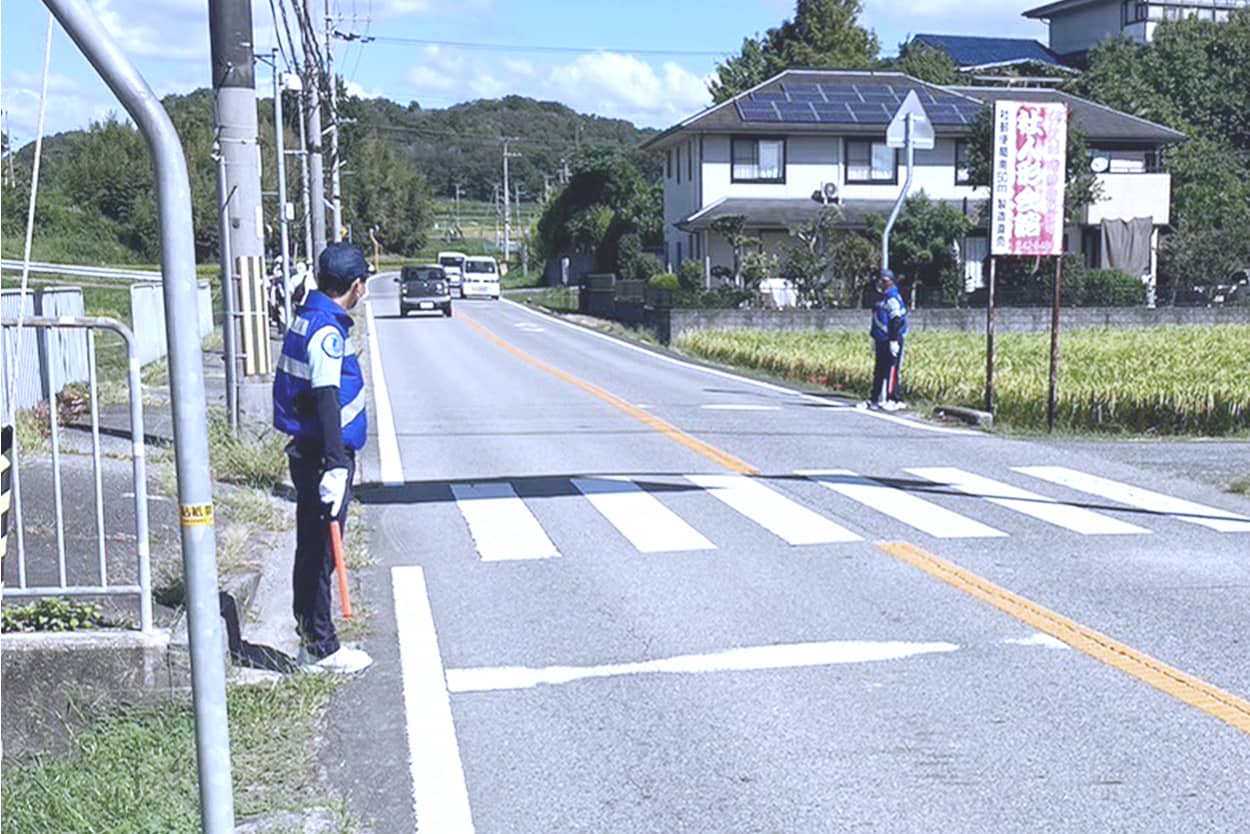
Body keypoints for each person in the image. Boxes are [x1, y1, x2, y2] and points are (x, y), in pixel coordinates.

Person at [273, 242, 373, 674]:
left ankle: (310, 639)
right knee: (321, 554)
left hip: (311, 452)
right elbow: (327, 398)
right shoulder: (327, 332)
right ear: (357, 286)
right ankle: (321, 647)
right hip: (321, 455)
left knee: (311, 547)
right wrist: (335, 464)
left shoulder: (308, 318)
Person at [869, 269, 909, 411]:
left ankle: (894, 398)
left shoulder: (892, 298)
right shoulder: (882, 298)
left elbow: (896, 320)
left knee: (892, 370)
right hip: (881, 339)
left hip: (891, 339)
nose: (880, 283)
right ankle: (875, 398)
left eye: (883, 281)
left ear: (889, 282)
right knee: (879, 370)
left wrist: (894, 340)